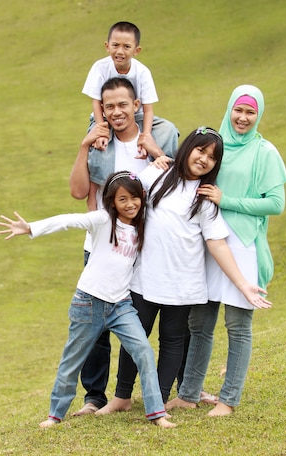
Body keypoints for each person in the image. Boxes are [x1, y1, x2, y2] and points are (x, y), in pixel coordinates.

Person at [96, 127, 272, 417]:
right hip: (145, 279)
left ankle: (159, 401)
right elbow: (126, 200)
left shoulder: (204, 197)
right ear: (188, 147)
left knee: (172, 341)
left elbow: (217, 244)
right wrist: (155, 158)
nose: (204, 159)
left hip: (182, 285)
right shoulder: (157, 175)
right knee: (134, 337)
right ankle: (121, 397)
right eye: (200, 150)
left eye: (212, 158)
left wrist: (244, 285)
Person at [0, 171, 176, 428]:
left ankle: (157, 413)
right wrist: (31, 228)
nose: (130, 204)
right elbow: (70, 220)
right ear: (112, 202)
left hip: (121, 306)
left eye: (134, 198)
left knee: (144, 352)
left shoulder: (141, 225)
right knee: (72, 360)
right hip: (89, 303)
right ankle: (54, 415)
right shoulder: (103, 220)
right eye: (122, 199)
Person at [167, 85, 286, 417]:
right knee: (199, 323)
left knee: (237, 324)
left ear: (259, 114)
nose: (243, 118)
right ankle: (188, 393)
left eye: (251, 112)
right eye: (239, 110)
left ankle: (229, 399)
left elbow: (276, 204)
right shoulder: (214, 145)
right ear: (229, 109)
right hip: (208, 243)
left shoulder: (264, 152)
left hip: (242, 245)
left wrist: (227, 200)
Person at [69, 77, 178, 416]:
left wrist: (157, 151)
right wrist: (84, 146)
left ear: (136, 106)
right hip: (102, 246)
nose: (116, 112)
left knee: (147, 319)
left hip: (146, 246)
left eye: (122, 105)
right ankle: (94, 396)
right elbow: (77, 192)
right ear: (101, 109)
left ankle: (160, 390)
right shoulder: (100, 144)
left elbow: (181, 181)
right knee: (95, 324)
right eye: (108, 106)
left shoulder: (160, 135)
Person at [82, 21, 179, 211]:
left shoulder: (142, 72)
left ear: (137, 50)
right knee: (96, 141)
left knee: (168, 129)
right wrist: (101, 129)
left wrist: (146, 136)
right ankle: (96, 191)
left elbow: (149, 108)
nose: (120, 51)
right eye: (115, 45)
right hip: (104, 114)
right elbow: (96, 102)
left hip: (138, 115)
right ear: (107, 46)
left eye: (127, 47)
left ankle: (165, 169)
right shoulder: (100, 67)